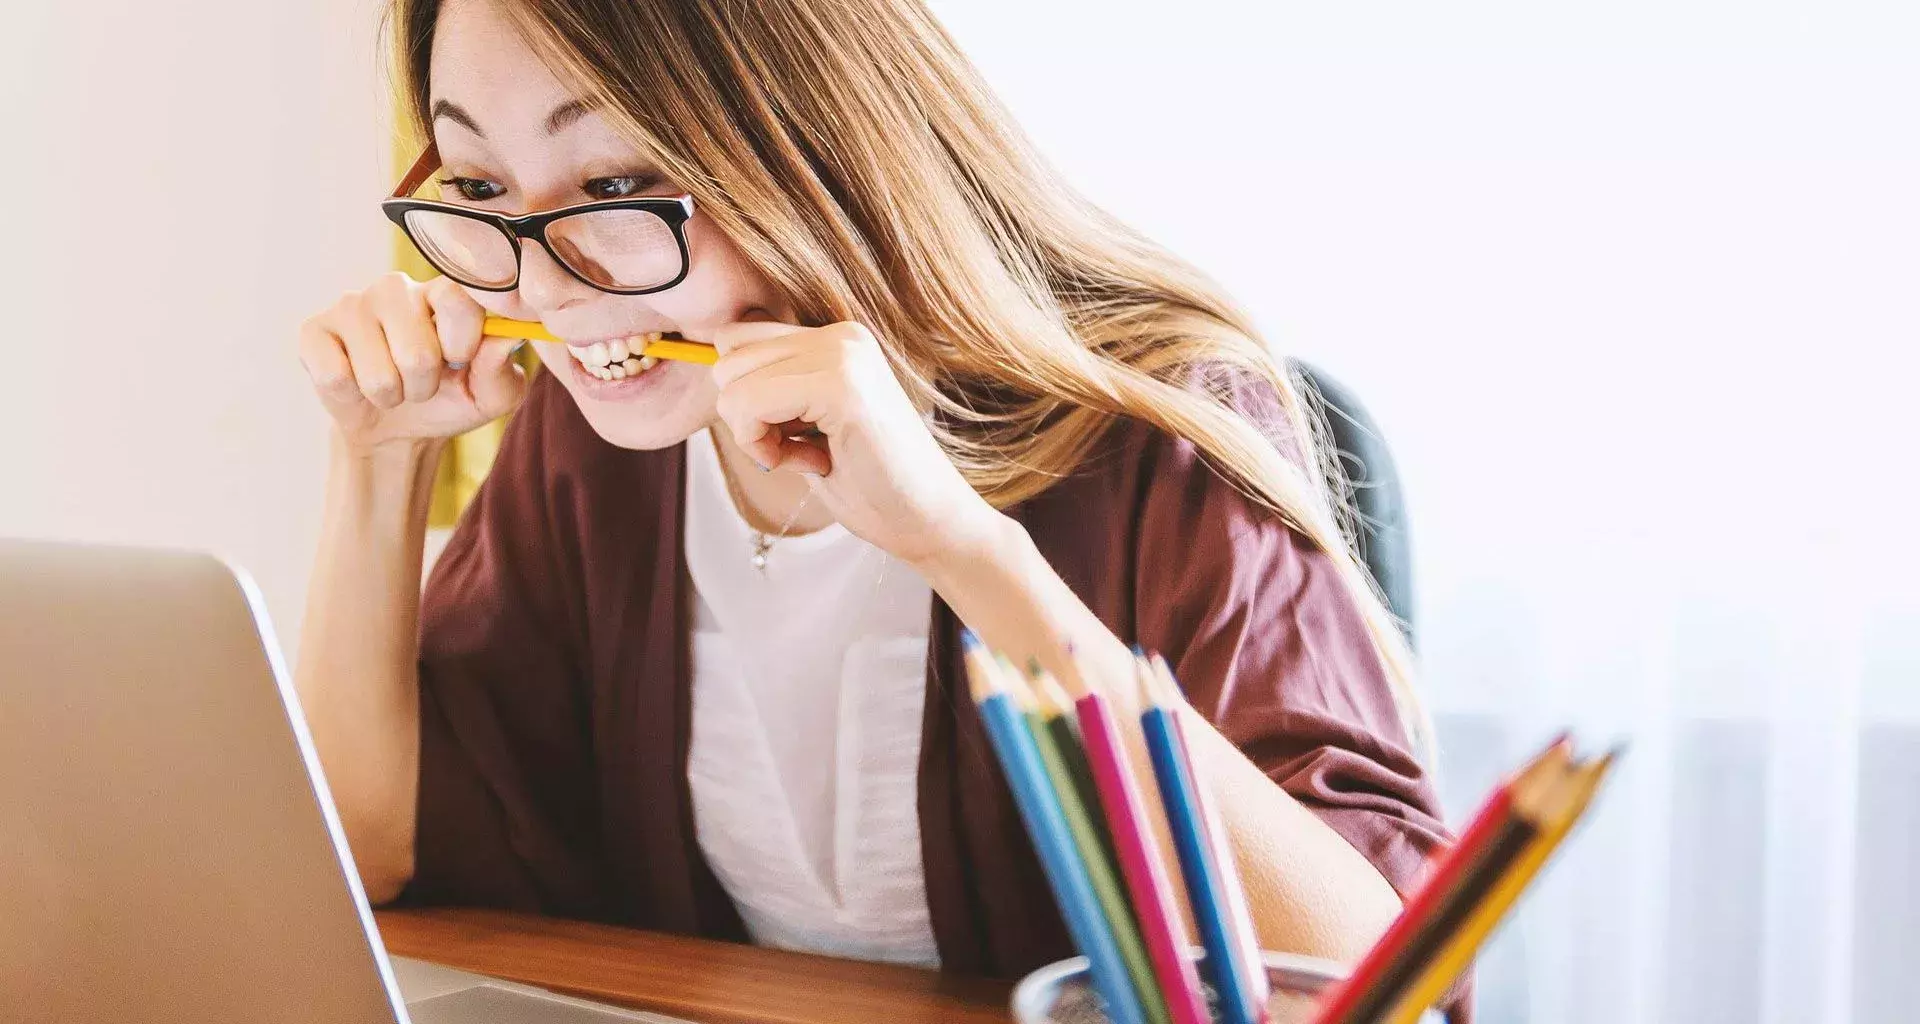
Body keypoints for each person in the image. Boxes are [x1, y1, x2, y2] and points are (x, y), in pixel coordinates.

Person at [295, 0, 1453, 985]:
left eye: (613, 180)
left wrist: (962, 548)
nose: (547, 286)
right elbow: (366, 847)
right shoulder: (596, 444)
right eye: (485, 183)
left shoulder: (1155, 429)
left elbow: (1370, 975)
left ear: (808, 147)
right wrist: (379, 461)